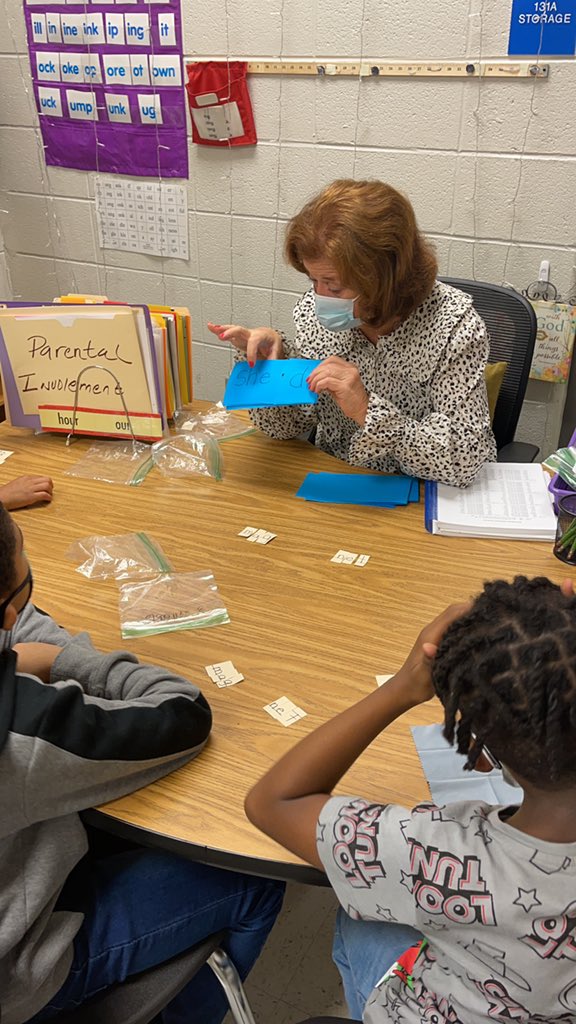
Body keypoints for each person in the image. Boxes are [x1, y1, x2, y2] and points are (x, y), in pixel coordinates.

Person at [245, 575, 576, 1023]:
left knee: (357, 922)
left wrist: (401, 687)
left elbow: (274, 802)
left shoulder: (441, 854)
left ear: (479, 742)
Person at [0, 503, 284, 1024]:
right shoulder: (23, 727)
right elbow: (181, 712)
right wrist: (62, 659)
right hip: (16, 982)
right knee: (255, 880)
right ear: (8, 616)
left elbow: (21, 628)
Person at [208, 179, 496, 488]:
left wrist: (365, 409)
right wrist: (270, 371)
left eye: (333, 285)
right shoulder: (312, 314)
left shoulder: (453, 326)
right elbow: (287, 428)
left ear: (384, 278)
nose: (320, 297)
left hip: (420, 495)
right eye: (313, 280)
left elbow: (466, 460)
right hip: (334, 481)